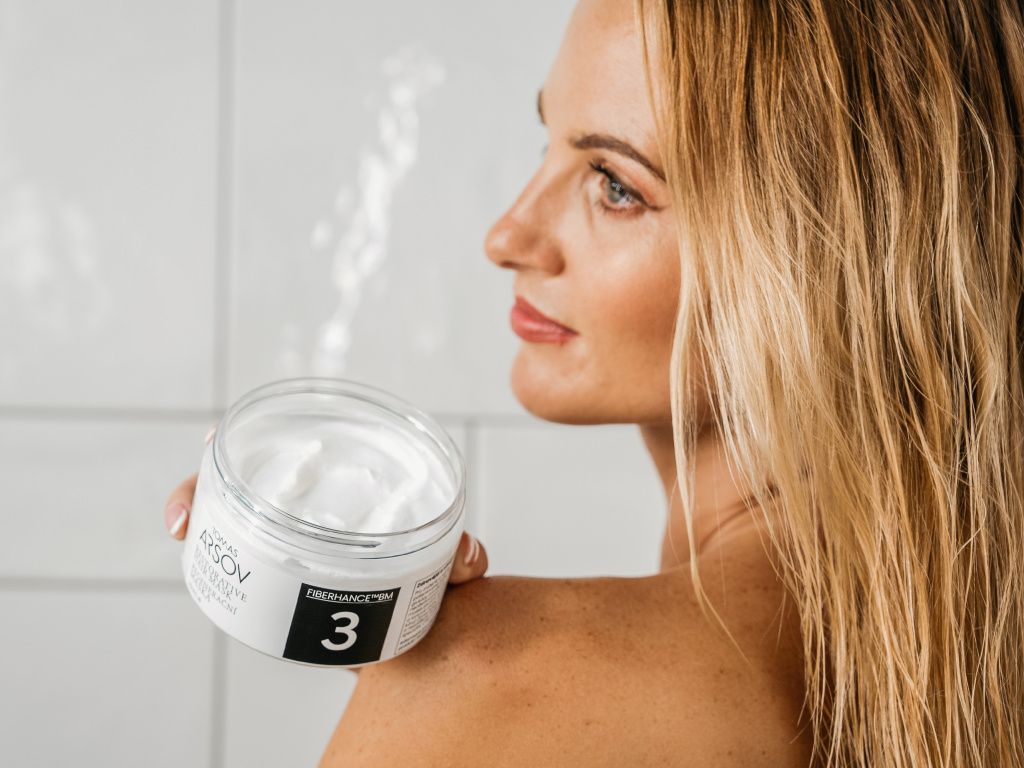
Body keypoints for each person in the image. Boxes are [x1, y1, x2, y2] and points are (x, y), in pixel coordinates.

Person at [165, 0, 1024, 764]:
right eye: (548, 143)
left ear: (819, 264)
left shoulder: (511, 689)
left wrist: (459, 687)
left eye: (615, 185)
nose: (507, 235)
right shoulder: (960, 650)